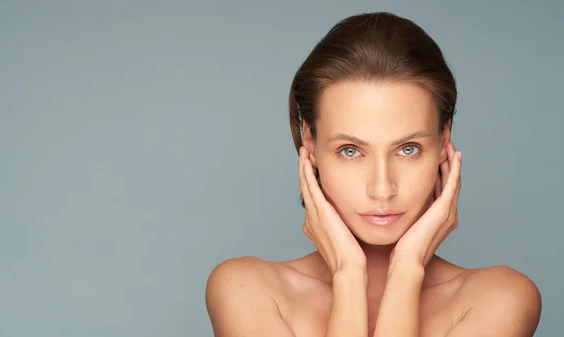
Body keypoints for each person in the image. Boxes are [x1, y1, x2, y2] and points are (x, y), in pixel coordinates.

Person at [205, 11, 542, 337]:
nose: (382, 189)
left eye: (407, 149)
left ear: (443, 141)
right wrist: (348, 273)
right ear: (309, 140)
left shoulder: (500, 299)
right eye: (350, 151)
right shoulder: (246, 290)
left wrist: (407, 270)